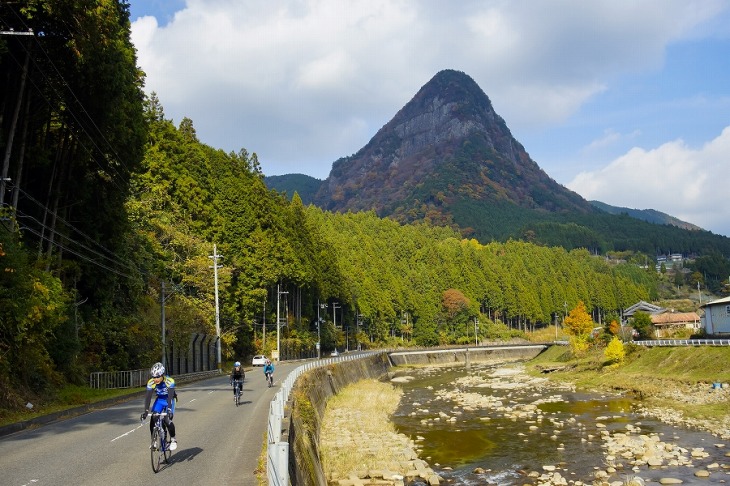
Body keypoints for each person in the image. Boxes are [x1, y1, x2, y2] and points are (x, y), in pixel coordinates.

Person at [140, 362, 177, 451]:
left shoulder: (169, 381)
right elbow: (148, 398)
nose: (155, 379)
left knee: (167, 420)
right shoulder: (151, 382)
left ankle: (173, 440)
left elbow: (170, 396)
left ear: (162, 375)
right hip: (160, 400)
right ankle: (154, 441)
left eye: (157, 377)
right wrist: (145, 411)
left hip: (170, 399)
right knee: (154, 417)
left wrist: (169, 410)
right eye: (153, 377)